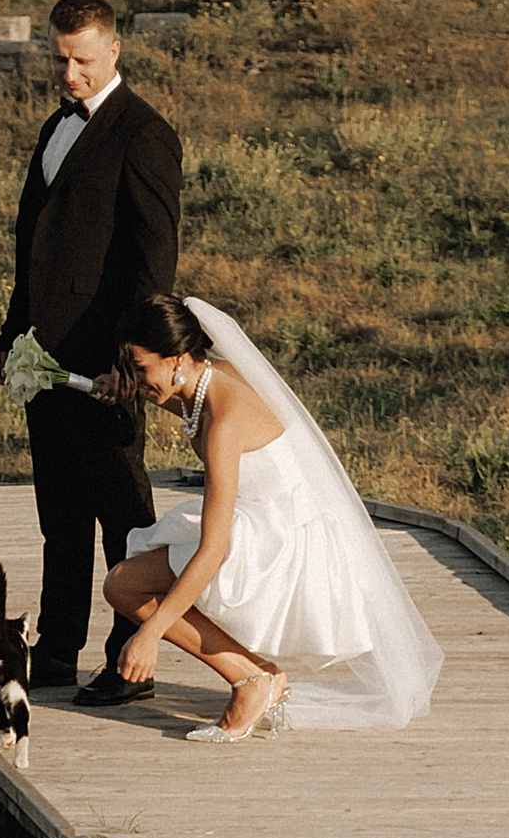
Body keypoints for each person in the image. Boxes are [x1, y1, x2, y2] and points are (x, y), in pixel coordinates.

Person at [106, 291, 445, 737]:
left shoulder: (224, 426)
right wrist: (110, 387)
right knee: (124, 582)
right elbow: (182, 406)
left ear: (178, 359)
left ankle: (250, 680)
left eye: (140, 369)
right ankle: (256, 675)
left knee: (127, 586)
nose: (136, 380)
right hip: (263, 522)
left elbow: (213, 549)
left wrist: (150, 635)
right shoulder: (208, 378)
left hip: (281, 544)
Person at [0, 0, 181, 693]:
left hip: (106, 363)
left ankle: (132, 658)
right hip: (45, 356)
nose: (68, 74)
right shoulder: (53, 127)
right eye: (60, 59)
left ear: (114, 51)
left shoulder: (145, 134)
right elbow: (31, 250)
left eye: (82, 61)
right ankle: (60, 647)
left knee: (122, 512)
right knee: (59, 512)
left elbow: (152, 264)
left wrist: (129, 362)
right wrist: (14, 336)